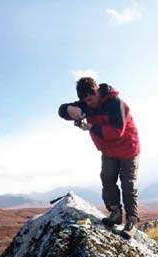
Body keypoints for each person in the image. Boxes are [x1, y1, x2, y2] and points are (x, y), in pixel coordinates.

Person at [58, 77, 141, 239]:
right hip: (108, 150)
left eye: (91, 98)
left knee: (128, 183)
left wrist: (91, 127)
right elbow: (61, 111)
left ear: (97, 91)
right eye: (85, 100)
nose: (89, 103)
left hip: (128, 148)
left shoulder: (115, 103)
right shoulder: (86, 103)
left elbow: (117, 132)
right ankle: (115, 214)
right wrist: (69, 109)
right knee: (107, 178)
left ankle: (131, 220)